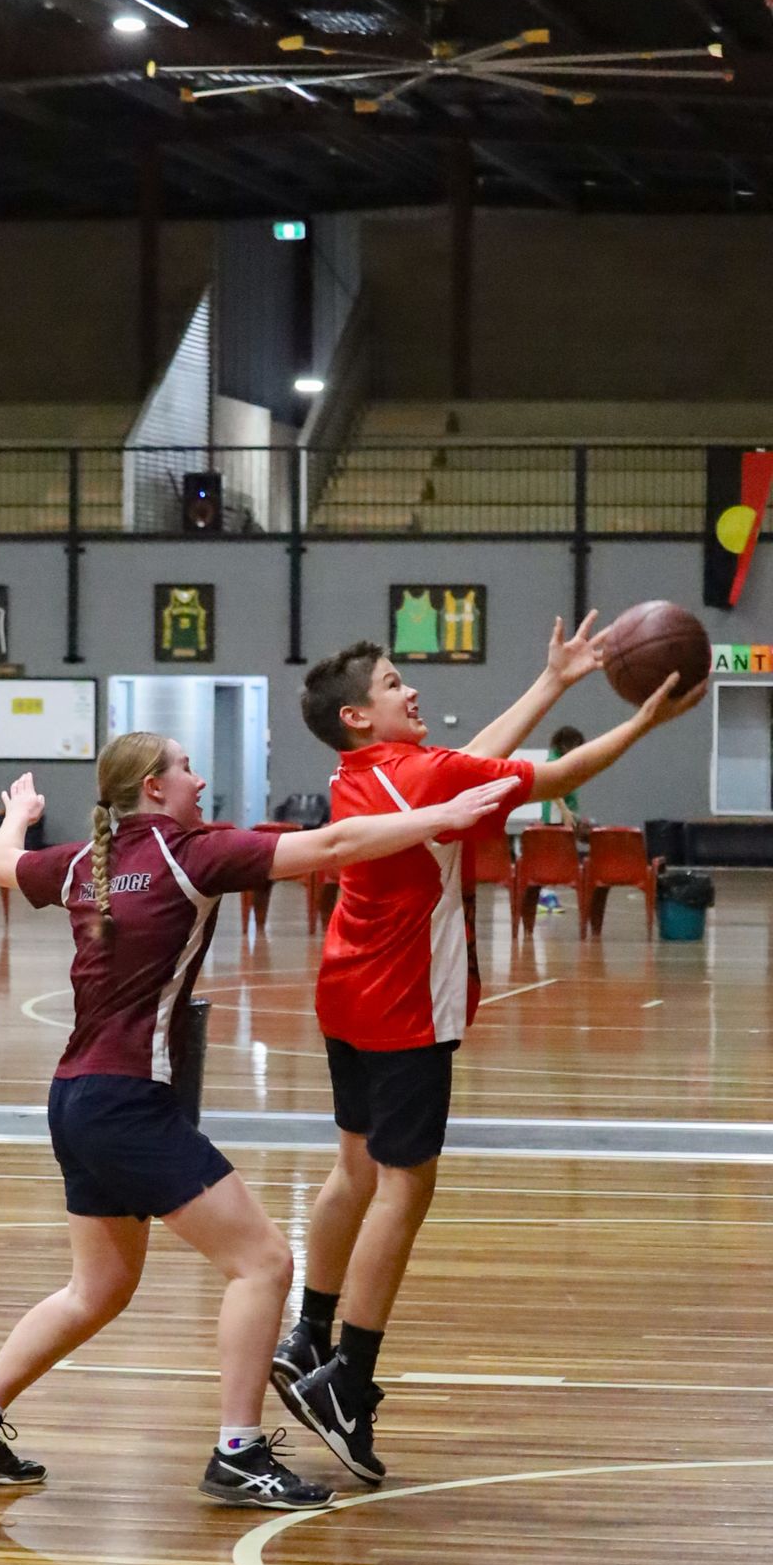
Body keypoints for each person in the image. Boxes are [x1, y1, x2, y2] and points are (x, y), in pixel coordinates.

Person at [0, 731, 519, 1510]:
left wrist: (18, 814)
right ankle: (238, 1452)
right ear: (153, 787)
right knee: (264, 1262)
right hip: (129, 1102)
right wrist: (440, 815)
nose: (199, 781)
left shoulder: (78, 862)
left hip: (73, 1097)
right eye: (186, 768)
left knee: (98, 1287)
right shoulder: (190, 854)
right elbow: (334, 843)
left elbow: (1, 863)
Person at [272, 617, 706, 1484]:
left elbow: (469, 760)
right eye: (392, 683)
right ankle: (347, 1380)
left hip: (345, 987)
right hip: (404, 1000)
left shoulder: (360, 772)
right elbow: (562, 773)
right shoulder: (425, 774)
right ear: (358, 715)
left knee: (353, 1166)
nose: (410, 689)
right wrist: (643, 722)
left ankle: (308, 1334)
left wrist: (554, 682)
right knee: (406, 1184)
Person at [539, 723, 587, 912]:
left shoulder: (565, 760)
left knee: (558, 856)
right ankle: (545, 894)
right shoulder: (553, 761)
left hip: (564, 813)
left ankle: (548, 892)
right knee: (554, 855)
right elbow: (553, 790)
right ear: (566, 744)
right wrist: (565, 812)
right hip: (555, 816)